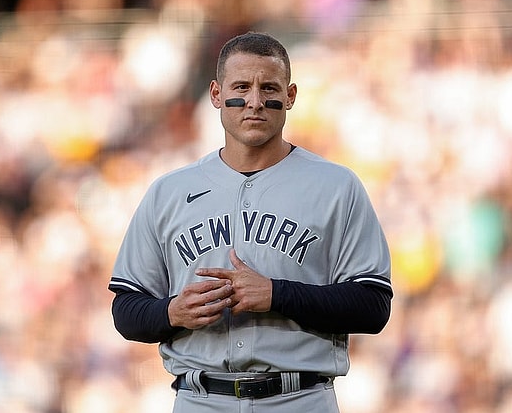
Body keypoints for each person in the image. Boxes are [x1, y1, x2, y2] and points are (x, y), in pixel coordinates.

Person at [108, 31, 393, 412]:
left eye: (269, 87)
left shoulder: (336, 186)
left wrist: (277, 294)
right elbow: (126, 309)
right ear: (215, 94)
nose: (255, 102)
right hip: (200, 398)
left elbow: (373, 305)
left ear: (290, 96)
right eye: (241, 86)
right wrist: (171, 312)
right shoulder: (170, 191)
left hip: (300, 397)